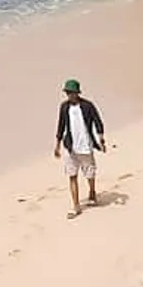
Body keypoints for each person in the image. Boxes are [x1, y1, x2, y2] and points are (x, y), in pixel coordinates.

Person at [54, 77, 105, 217]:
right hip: (70, 147)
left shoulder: (88, 105)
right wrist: (57, 145)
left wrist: (101, 138)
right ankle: (76, 206)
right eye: (67, 92)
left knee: (89, 173)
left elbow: (97, 121)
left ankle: (92, 192)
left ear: (77, 92)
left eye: (71, 92)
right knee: (72, 175)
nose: (69, 95)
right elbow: (61, 126)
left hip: (85, 146)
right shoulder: (64, 107)